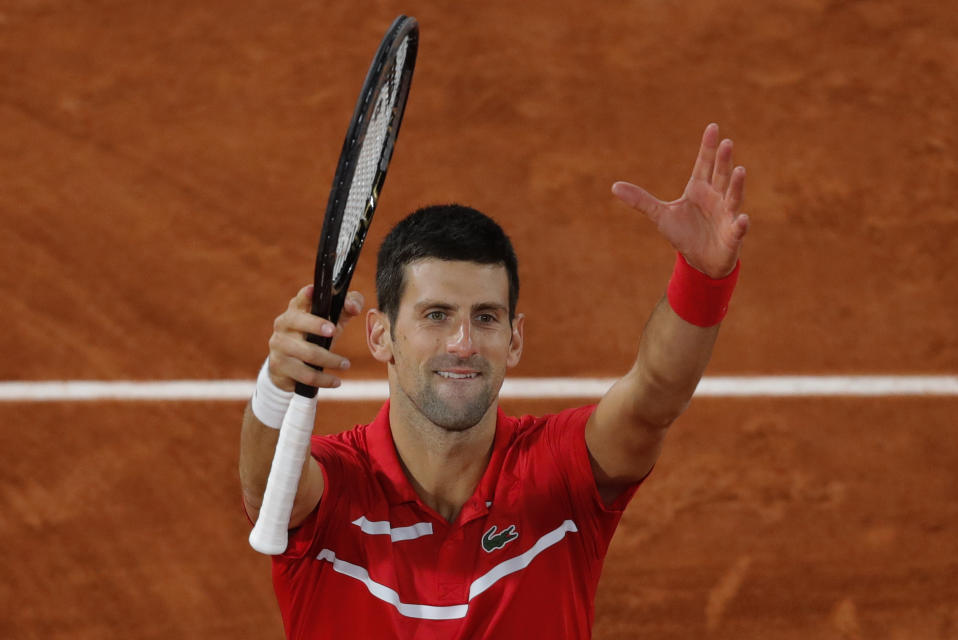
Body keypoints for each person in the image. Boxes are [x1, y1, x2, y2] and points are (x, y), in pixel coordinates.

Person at [239, 123, 750, 639]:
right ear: (380, 336)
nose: (463, 343)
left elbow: (655, 396)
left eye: (485, 317)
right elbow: (267, 496)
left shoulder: (561, 477)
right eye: (436, 315)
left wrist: (702, 278)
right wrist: (277, 382)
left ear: (514, 338)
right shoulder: (333, 488)